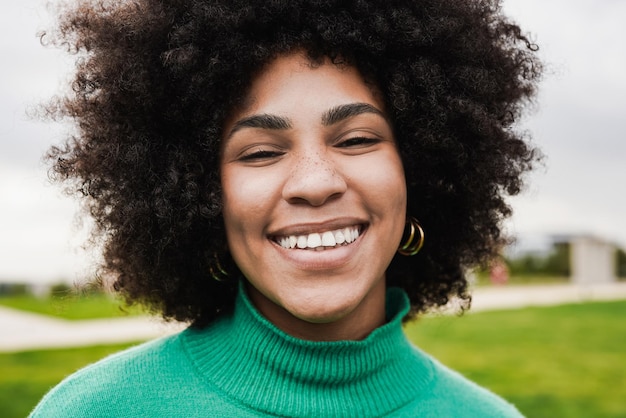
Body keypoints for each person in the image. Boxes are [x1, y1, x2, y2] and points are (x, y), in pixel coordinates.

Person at [31, 0, 541, 416]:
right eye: (260, 152)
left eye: (358, 139)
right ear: (201, 193)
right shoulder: (96, 410)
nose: (315, 183)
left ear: (422, 167)